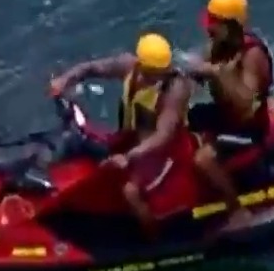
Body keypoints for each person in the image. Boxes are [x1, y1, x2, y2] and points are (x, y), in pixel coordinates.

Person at [47, 33, 196, 237]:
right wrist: (65, 80)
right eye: (154, 72)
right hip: (130, 141)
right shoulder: (128, 67)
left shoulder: (175, 88)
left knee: (131, 192)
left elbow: (163, 136)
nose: (159, 77)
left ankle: (154, 239)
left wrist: (128, 156)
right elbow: (91, 68)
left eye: (163, 72)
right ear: (141, 65)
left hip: (164, 153)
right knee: (74, 143)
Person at [183, 0, 274, 228]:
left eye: (215, 24)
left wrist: (216, 74)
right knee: (182, 121)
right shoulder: (217, 47)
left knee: (203, 159)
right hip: (224, 115)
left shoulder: (252, 56)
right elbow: (197, 80)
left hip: (247, 128)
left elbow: (244, 103)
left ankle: (237, 210)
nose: (208, 29)